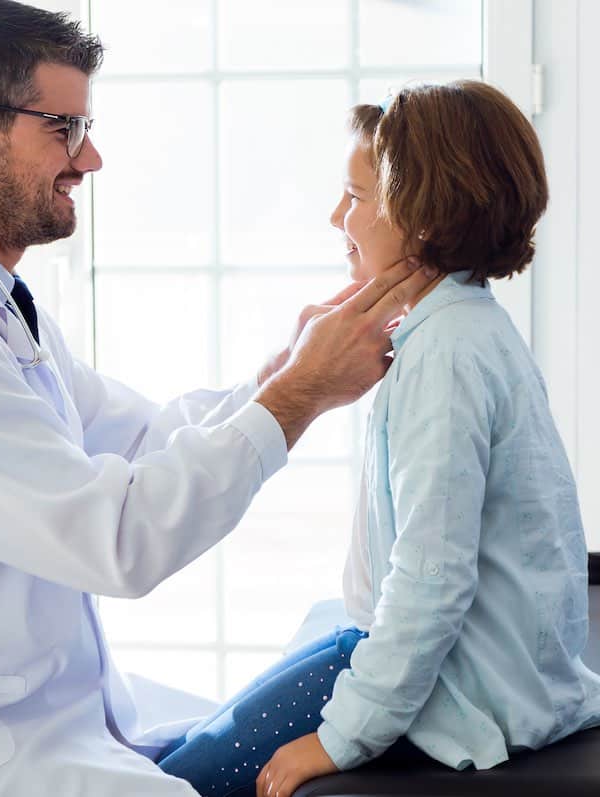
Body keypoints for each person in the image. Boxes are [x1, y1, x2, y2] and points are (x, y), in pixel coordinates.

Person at [0, 2, 435, 796]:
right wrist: (301, 394)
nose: (89, 157)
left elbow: (140, 442)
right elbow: (116, 535)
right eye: (62, 127)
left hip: (34, 726)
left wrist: (286, 368)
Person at [157, 80, 600, 797]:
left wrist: (339, 738)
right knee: (191, 742)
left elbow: (431, 580)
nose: (338, 216)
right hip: (469, 668)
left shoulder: (445, 355)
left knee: (188, 775)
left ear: (422, 221)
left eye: (356, 198)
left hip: (462, 696)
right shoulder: (459, 325)